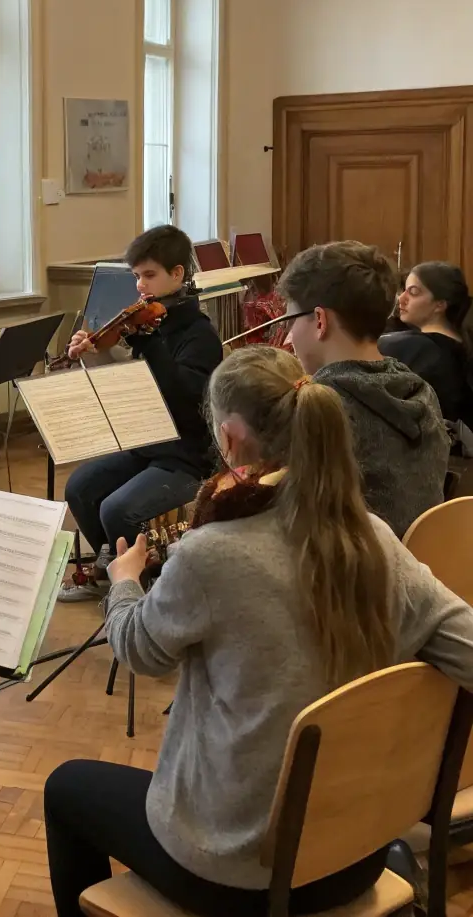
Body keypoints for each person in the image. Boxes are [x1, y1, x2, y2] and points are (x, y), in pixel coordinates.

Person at [45, 346, 473, 917]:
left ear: (229, 439)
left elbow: (140, 650)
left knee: (66, 787)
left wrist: (124, 582)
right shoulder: (373, 538)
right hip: (356, 850)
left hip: (241, 869)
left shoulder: (212, 554)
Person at [59, 225, 223, 599]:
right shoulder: (150, 325)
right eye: (136, 276)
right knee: (81, 488)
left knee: (118, 509)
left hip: (187, 457)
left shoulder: (197, 334)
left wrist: (149, 344)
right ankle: (111, 570)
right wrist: (95, 349)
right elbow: (134, 384)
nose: (139, 286)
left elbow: (185, 401)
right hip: (148, 445)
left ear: (178, 273)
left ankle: (147, 591)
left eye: (149, 275)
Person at [279, 240, 449, 538]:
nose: (289, 336)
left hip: (353, 578)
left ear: (320, 320)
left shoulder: (319, 406)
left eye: (290, 321)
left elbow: (288, 524)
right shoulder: (422, 391)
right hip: (422, 571)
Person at [379, 261, 473, 427]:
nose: (401, 298)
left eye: (413, 292)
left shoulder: (417, 347)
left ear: (440, 304)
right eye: (404, 290)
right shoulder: (461, 345)